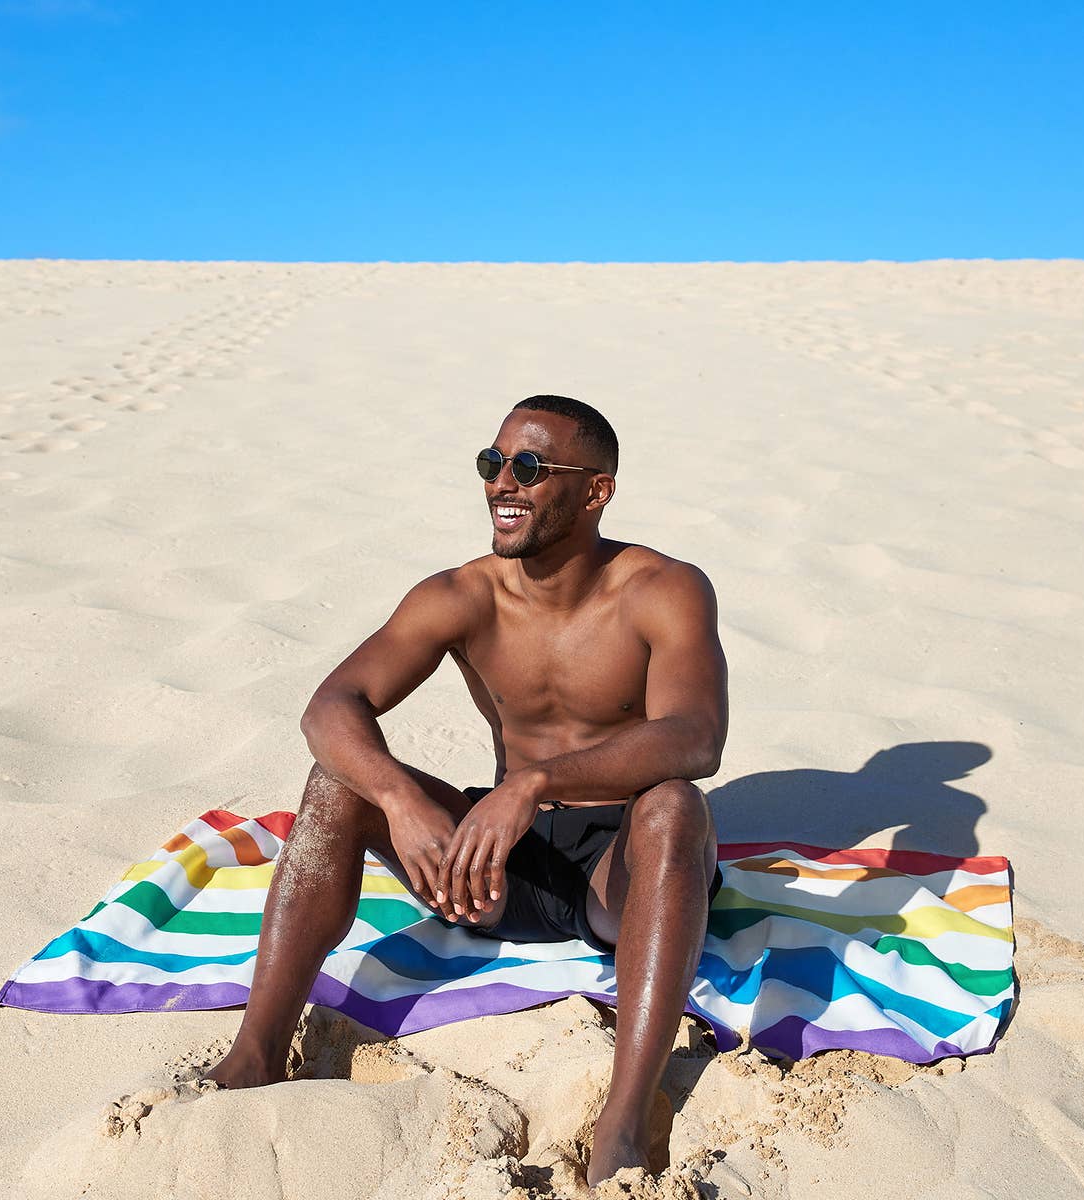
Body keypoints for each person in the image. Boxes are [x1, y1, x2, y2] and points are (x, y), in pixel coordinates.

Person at [203, 394, 729, 1186]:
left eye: (530, 467)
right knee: (337, 784)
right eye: (492, 463)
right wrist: (401, 798)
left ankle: (622, 1122)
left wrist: (538, 782)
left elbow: (695, 737)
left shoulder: (663, 588)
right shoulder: (461, 595)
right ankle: (257, 1052)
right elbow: (331, 706)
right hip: (496, 861)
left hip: (620, 869)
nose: (502, 483)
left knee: (676, 805)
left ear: (596, 490)